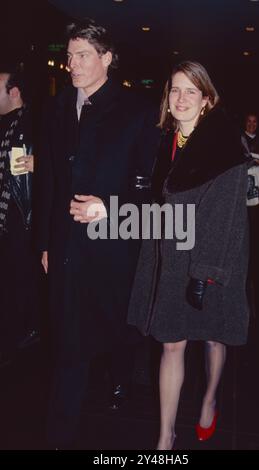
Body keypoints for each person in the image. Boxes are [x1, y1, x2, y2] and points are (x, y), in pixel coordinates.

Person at [36, 19, 159, 447]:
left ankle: (123, 373)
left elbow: (153, 192)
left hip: (113, 247)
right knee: (69, 346)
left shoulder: (138, 112)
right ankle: (59, 435)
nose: (72, 64)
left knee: (118, 329)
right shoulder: (55, 109)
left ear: (107, 59)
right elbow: (49, 182)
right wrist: (45, 243)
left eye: (83, 55)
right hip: (67, 247)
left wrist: (109, 208)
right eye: (70, 56)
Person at [128, 61, 249, 449]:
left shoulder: (226, 145)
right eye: (174, 90)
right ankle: (166, 435)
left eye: (190, 91)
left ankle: (209, 398)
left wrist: (206, 270)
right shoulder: (163, 141)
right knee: (171, 342)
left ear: (206, 100)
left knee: (214, 337)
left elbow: (228, 215)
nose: (180, 99)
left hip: (215, 258)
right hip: (171, 259)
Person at [0, 68, 39, 365]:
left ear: (14, 92)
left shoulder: (32, 123)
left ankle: (24, 332)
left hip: (19, 220)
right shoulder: (5, 125)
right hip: (7, 219)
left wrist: (40, 163)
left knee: (18, 280)